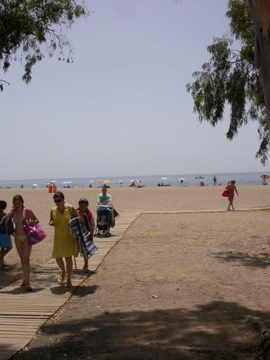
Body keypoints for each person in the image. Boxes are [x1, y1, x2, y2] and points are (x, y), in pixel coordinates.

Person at [7, 195, 39, 291]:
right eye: (15, 203)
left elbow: (36, 220)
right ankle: (25, 279)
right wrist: (9, 214)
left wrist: (30, 223)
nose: (17, 205)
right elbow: (5, 223)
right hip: (17, 237)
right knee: (22, 259)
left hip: (26, 237)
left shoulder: (27, 211)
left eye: (19, 203)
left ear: (22, 202)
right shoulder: (13, 212)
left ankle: (28, 283)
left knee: (26, 259)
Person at [49, 192, 78, 287]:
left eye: (59, 200)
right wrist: (51, 222)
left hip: (69, 237)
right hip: (58, 238)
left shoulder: (69, 208)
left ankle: (69, 279)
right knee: (58, 258)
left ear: (63, 199)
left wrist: (73, 221)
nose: (57, 202)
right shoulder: (53, 210)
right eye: (55, 201)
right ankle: (63, 271)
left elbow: (79, 217)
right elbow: (51, 220)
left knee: (68, 258)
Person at [76, 198, 95, 273]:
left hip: (86, 233)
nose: (82, 207)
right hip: (77, 232)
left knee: (86, 250)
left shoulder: (89, 213)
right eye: (81, 206)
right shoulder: (76, 212)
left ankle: (86, 265)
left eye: (84, 206)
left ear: (87, 206)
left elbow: (92, 224)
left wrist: (90, 234)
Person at [0, 200, 13, 270]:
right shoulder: (6, 215)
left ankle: (2, 263)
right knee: (9, 247)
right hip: (4, 233)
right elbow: (10, 225)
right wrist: (12, 232)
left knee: (2, 247)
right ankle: (0, 258)